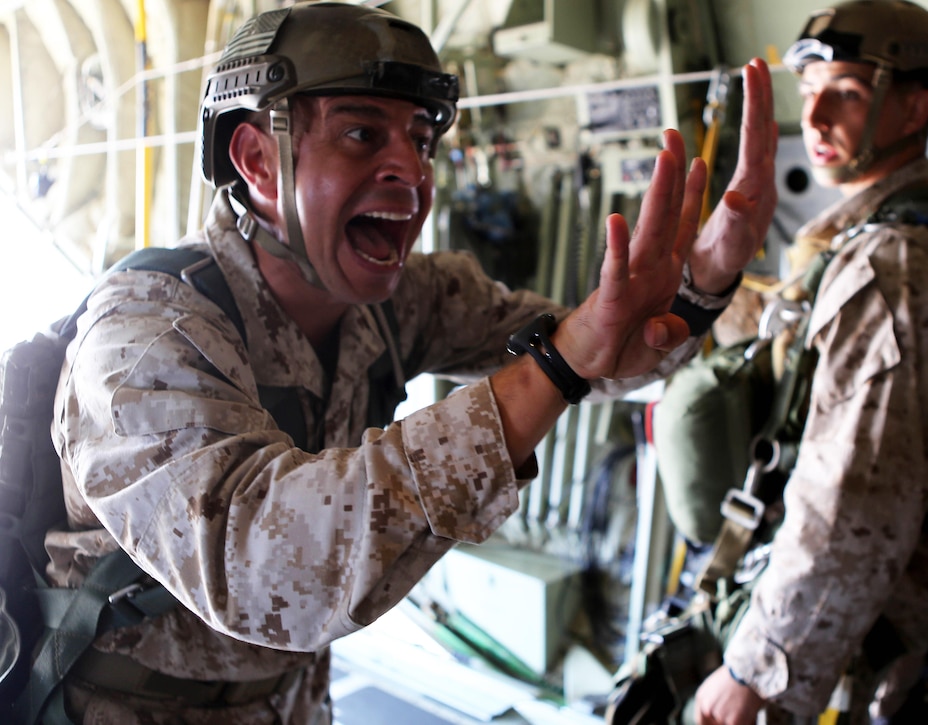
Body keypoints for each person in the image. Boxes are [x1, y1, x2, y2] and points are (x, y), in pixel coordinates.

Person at [43, 3, 776, 722]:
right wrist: (551, 369)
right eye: (363, 133)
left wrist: (700, 285)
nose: (411, 170)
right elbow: (267, 572)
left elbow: (599, 351)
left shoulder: (404, 301)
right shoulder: (143, 336)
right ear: (258, 160)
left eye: (421, 140)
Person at [692, 2, 928, 724]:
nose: (815, 117)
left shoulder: (896, 263)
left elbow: (856, 504)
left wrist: (758, 671)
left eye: (849, 94)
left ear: (916, 108)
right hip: (835, 609)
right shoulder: (864, 238)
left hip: (851, 636)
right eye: (810, 90)